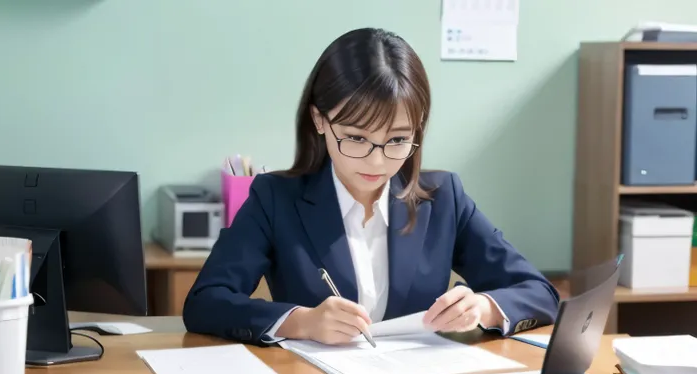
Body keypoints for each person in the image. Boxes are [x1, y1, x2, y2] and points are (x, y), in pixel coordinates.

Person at [182, 27, 560, 346]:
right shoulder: (274, 199)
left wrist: (483, 307)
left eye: (397, 140)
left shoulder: (444, 198)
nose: (377, 162)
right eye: (356, 138)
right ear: (319, 119)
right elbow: (205, 302)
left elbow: (540, 293)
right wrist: (302, 322)